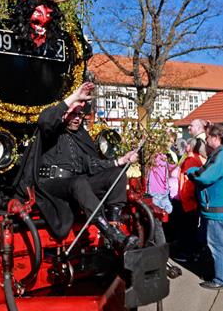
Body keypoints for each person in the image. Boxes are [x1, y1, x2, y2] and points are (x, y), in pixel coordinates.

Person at [14, 82, 139, 252]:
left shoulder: (80, 136)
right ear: (65, 113)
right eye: (74, 113)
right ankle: (109, 232)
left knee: (116, 174)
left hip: (75, 184)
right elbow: (45, 120)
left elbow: (90, 164)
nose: (78, 117)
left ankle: (113, 228)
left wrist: (119, 161)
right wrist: (74, 97)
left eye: (80, 114)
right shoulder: (51, 131)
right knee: (78, 182)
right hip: (50, 184)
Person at [186, 124, 223, 290]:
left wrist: (190, 170)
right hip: (218, 208)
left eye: (207, 137)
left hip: (218, 210)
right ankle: (222, 276)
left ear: (216, 138)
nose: (206, 140)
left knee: (219, 245)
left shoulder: (222, 157)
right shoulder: (222, 155)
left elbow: (205, 176)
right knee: (220, 244)